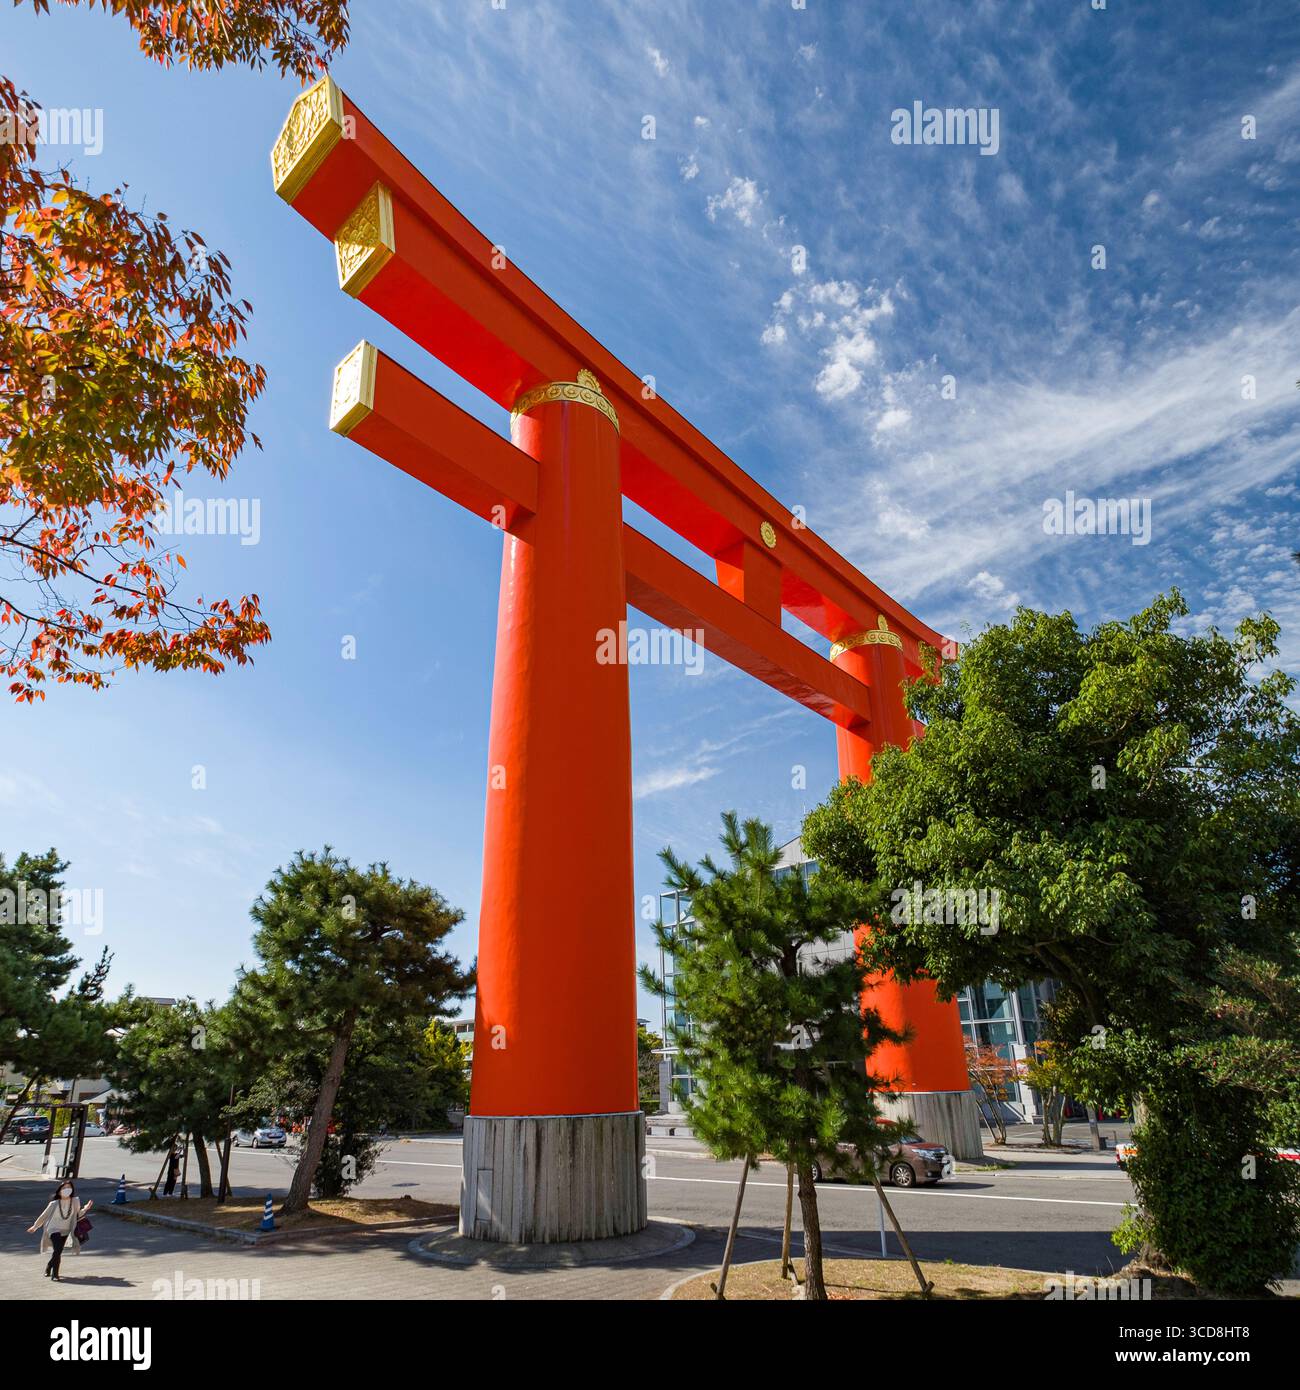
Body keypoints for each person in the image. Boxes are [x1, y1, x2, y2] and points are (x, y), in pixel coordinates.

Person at [27, 1179, 93, 1281]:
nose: (67, 1190)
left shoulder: (75, 1201)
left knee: (58, 1252)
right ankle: (55, 1274)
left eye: (69, 1188)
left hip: (66, 1230)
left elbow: (77, 1214)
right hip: (53, 1229)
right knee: (57, 1250)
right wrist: (35, 1226)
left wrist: (85, 1209)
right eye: (64, 1188)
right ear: (60, 1190)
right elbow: (43, 1216)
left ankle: (49, 1266)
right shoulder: (54, 1203)